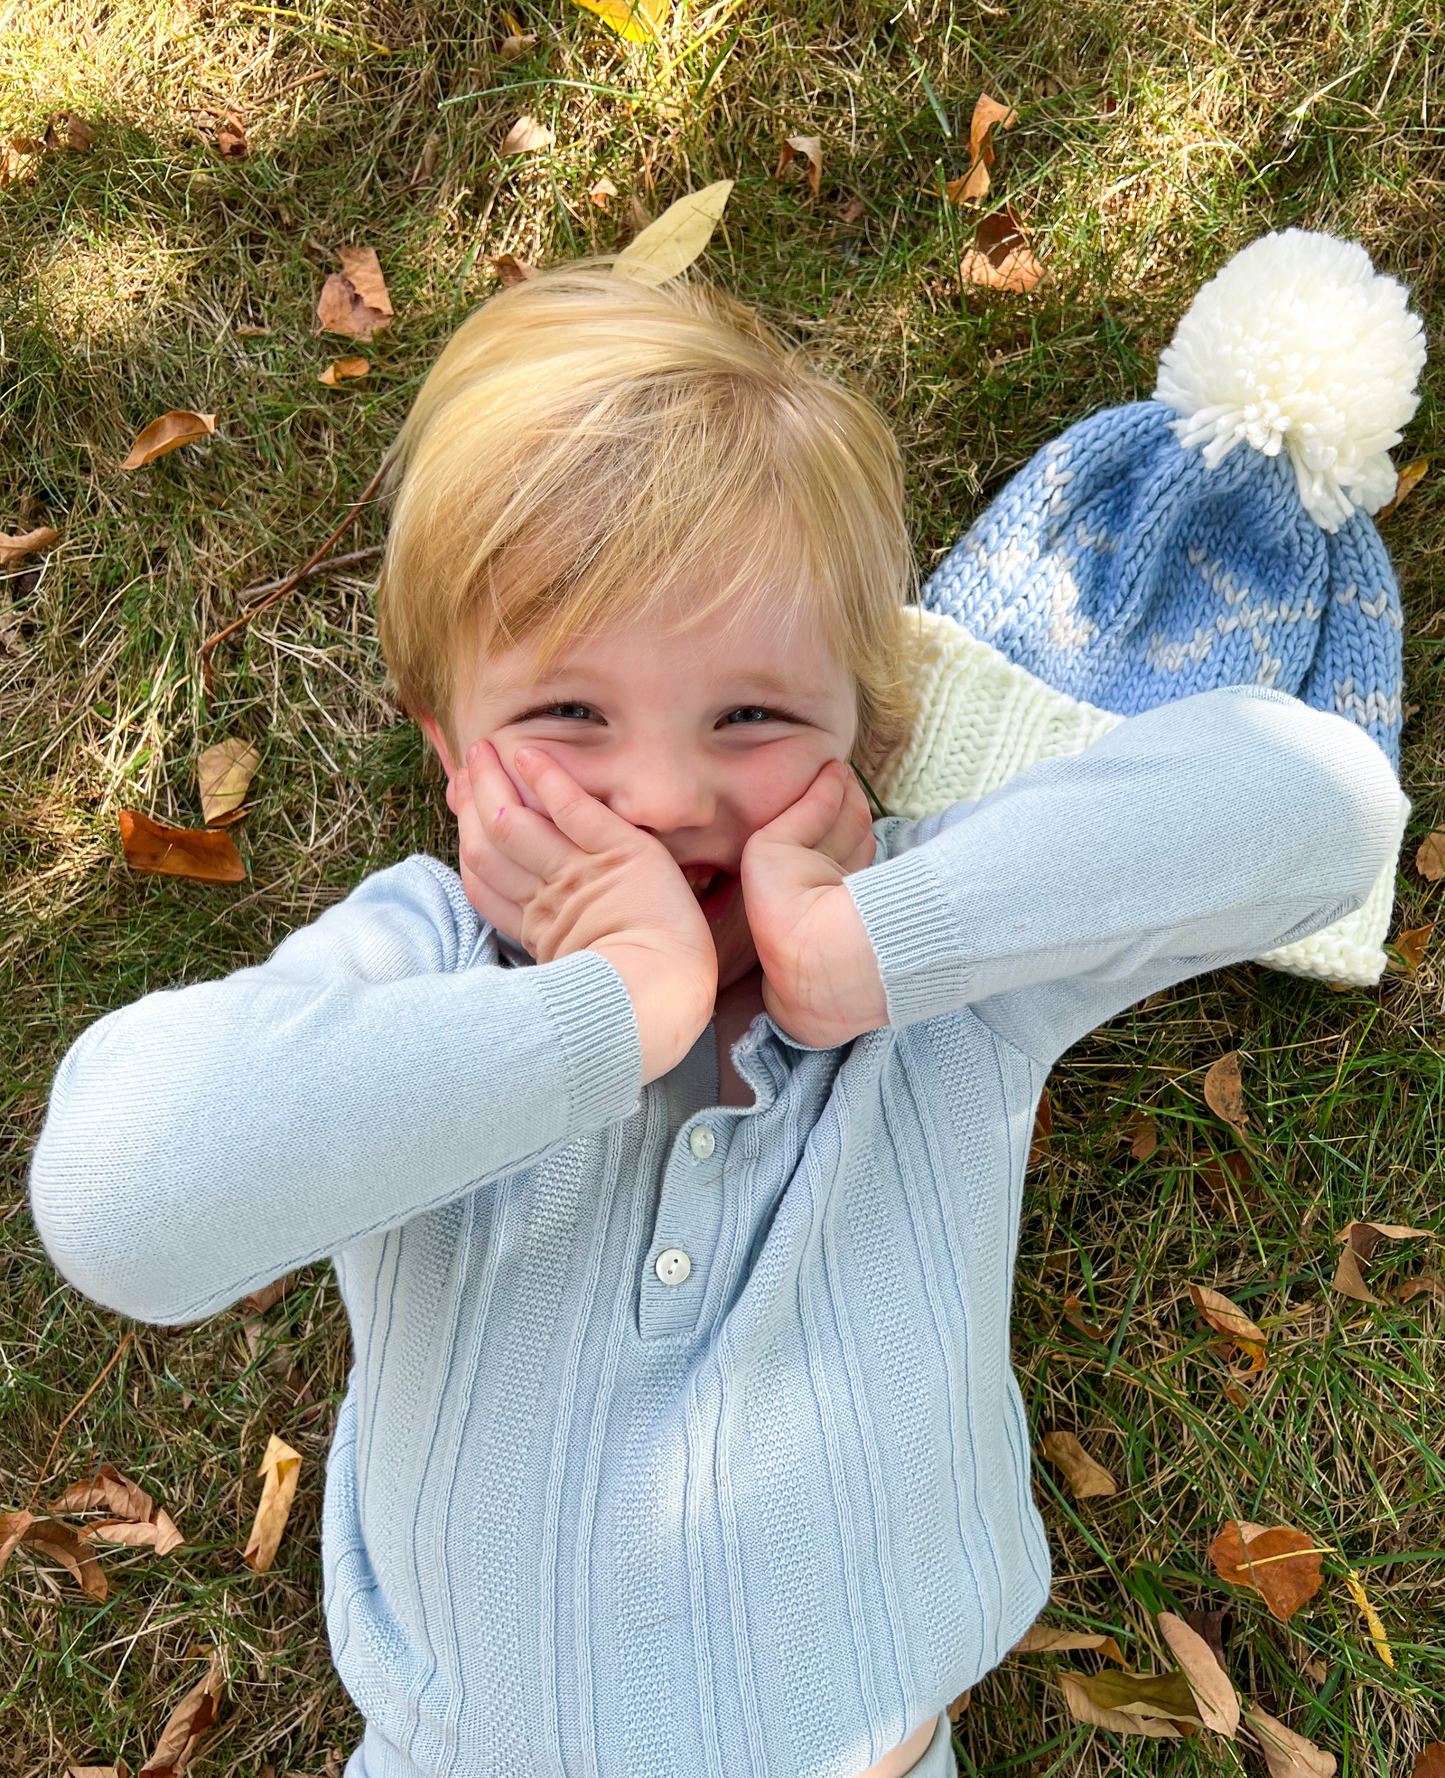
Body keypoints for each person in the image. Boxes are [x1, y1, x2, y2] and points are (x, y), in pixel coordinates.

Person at [30, 253, 1406, 1778]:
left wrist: (862, 947)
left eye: (751, 715)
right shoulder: (426, 960)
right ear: (451, 749)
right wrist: (607, 1010)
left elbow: (1328, 804)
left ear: (870, 737)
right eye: (568, 714)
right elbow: (116, 1196)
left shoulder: (947, 978)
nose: (669, 796)